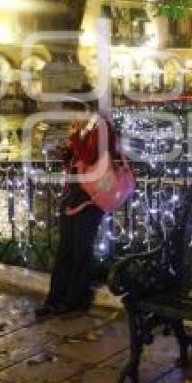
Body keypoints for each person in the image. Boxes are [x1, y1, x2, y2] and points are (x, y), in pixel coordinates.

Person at [35, 97, 115, 317]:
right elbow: (76, 159)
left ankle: (75, 301)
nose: (70, 119)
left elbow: (90, 158)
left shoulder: (101, 127)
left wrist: (74, 138)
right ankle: (54, 298)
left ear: (86, 110)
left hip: (91, 198)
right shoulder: (83, 129)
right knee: (65, 250)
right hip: (72, 195)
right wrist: (64, 153)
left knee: (81, 251)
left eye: (73, 113)